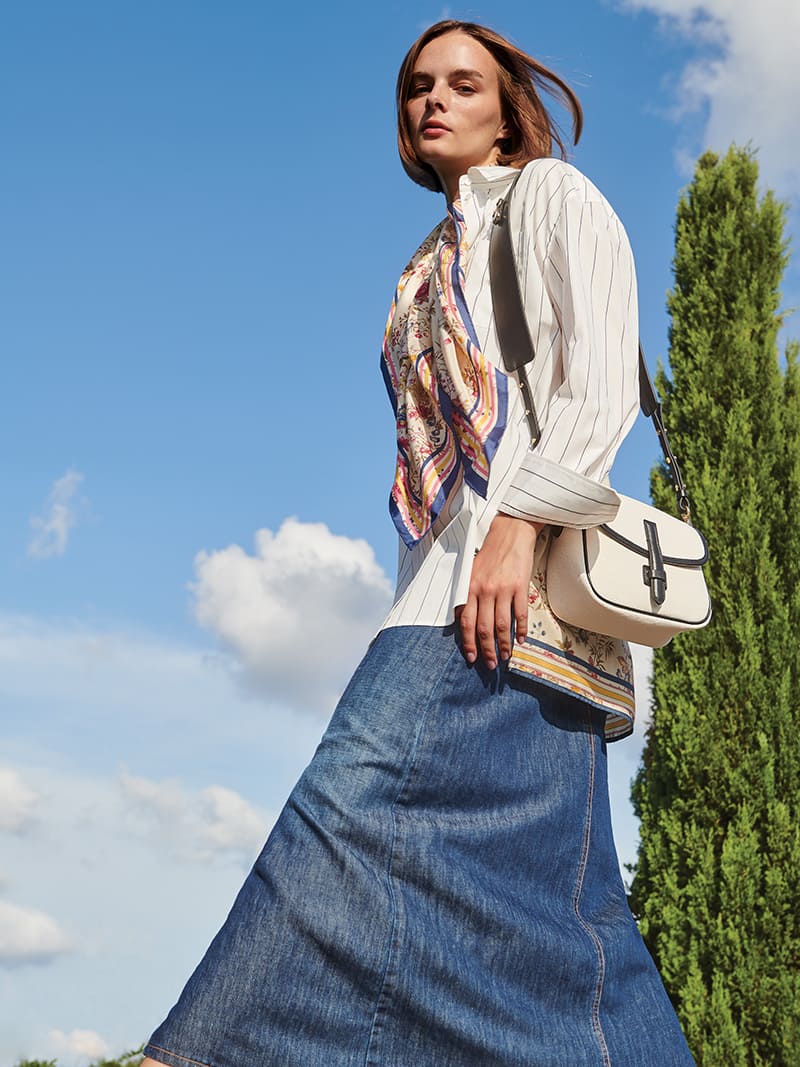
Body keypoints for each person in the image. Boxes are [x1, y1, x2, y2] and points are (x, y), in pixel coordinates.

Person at [141, 20, 695, 1067]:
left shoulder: (550, 198)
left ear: (506, 107)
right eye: (415, 88)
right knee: (559, 934)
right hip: (437, 599)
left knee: (337, 823)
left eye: (461, 83)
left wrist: (517, 529)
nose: (431, 100)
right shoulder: (427, 261)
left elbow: (598, 387)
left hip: (502, 597)